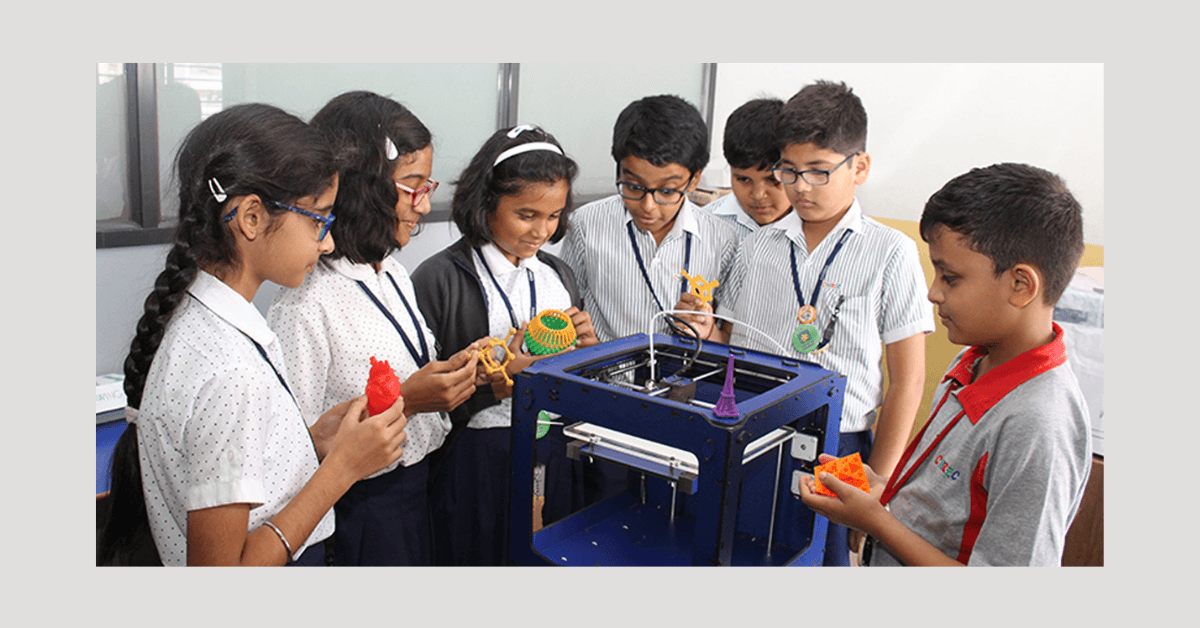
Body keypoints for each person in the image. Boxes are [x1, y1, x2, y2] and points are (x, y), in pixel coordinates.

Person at [97, 103, 408, 567]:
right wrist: (341, 469)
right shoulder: (229, 371)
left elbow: (223, 456)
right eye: (319, 219)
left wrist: (308, 442)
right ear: (251, 218)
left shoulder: (205, 322)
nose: (327, 242)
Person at [678, 81, 934, 566]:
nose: (800, 187)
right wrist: (705, 326)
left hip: (841, 446)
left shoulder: (889, 252)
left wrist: (878, 484)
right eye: (789, 171)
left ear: (859, 166)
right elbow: (731, 336)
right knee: (746, 555)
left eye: (819, 172)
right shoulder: (758, 246)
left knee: (822, 562)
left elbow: (909, 380)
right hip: (754, 431)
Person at [799, 162, 1092, 566]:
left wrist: (877, 522)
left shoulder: (1038, 424)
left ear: (1020, 285)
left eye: (950, 278)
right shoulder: (973, 360)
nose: (933, 293)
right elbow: (949, 508)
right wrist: (883, 491)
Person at [266, 91, 481, 566]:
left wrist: (463, 371)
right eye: (412, 186)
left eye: (428, 186)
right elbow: (290, 450)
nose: (424, 207)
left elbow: (409, 368)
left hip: (417, 489)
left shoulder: (393, 274)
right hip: (358, 511)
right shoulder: (306, 302)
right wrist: (411, 398)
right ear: (363, 185)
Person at [411, 124, 597, 566]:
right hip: (477, 457)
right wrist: (493, 381)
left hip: (553, 446)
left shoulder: (558, 274)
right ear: (486, 203)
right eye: (527, 215)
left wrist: (588, 352)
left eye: (554, 218)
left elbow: (578, 376)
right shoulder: (438, 279)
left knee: (547, 556)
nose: (542, 232)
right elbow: (419, 399)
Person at [560, 94, 739, 344]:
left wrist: (707, 330)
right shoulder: (586, 224)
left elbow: (728, 341)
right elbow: (568, 311)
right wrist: (583, 345)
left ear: (694, 180)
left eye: (666, 191)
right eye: (633, 187)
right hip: (601, 376)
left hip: (683, 380)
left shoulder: (723, 240)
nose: (647, 206)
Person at [704, 97, 792, 238]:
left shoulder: (819, 228)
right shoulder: (705, 227)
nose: (758, 194)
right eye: (743, 179)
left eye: (772, 179)